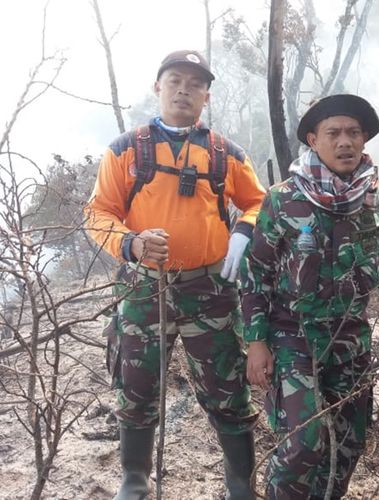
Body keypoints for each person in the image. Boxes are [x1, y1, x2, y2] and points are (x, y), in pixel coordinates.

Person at [86, 50, 266, 499]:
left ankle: (240, 484)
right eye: (174, 80)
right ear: (158, 87)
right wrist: (130, 243)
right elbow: (99, 211)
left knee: (227, 392)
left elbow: (260, 202)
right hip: (145, 288)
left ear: (206, 95)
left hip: (211, 290)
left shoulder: (226, 152)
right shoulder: (127, 149)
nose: (184, 89)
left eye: (195, 83)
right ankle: (134, 480)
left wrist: (244, 233)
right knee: (136, 386)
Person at [242, 94, 379, 500]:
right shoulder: (284, 198)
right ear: (312, 140)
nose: (345, 142)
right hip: (294, 337)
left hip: (352, 339)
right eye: (333, 133)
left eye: (354, 133)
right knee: (305, 443)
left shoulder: (373, 197)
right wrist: (256, 342)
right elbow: (256, 272)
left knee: (350, 441)